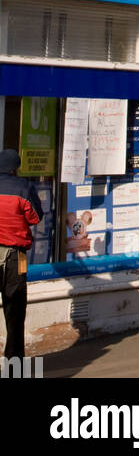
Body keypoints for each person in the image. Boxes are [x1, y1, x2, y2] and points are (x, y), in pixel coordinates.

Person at [0, 149, 43, 362]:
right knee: (15, 313)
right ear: (15, 168)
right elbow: (35, 217)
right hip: (16, 257)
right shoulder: (23, 188)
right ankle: (14, 368)